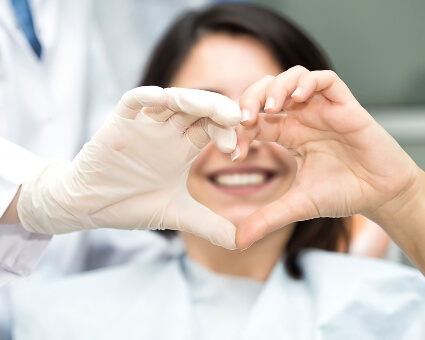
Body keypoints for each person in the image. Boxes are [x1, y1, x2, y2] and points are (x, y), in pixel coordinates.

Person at [8, 4, 425, 339]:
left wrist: (403, 198)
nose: (240, 142)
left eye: (269, 109)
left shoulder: (399, 303)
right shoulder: (55, 319)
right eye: (206, 113)